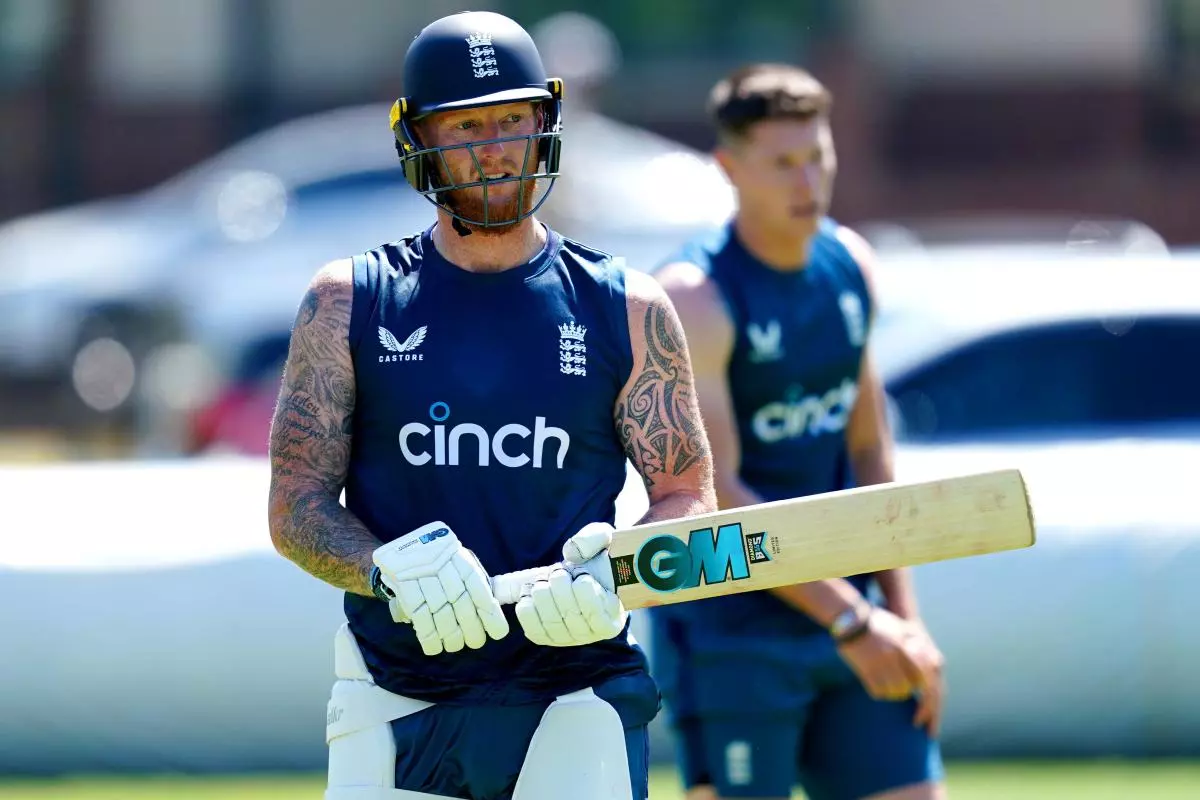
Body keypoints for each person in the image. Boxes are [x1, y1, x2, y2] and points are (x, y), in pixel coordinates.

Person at [265, 11, 716, 800]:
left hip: (578, 687)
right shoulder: (348, 302)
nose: (495, 147)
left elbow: (688, 496)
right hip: (394, 691)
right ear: (418, 138)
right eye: (467, 126)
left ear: (545, 123)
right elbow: (295, 505)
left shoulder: (627, 307)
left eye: (512, 119)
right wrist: (383, 570)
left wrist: (614, 572)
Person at [649, 63, 949, 800]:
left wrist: (902, 619)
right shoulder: (697, 297)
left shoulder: (850, 264)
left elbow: (869, 449)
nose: (807, 180)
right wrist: (853, 621)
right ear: (729, 169)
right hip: (732, 633)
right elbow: (715, 492)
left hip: (850, 616)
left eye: (818, 156)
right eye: (782, 163)